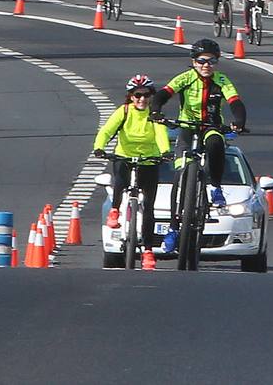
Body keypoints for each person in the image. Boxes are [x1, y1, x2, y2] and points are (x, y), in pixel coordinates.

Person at [152, 39, 247, 235]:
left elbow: (235, 102)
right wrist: (155, 111)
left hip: (211, 126)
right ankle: (173, 226)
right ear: (194, 62)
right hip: (187, 127)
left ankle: (215, 186)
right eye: (202, 61)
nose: (206, 66)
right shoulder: (185, 78)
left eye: (212, 61)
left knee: (215, 143)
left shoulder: (221, 80)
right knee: (179, 176)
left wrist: (239, 121)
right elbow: (163, 94)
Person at [93, 76, 172, 267]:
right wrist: (99, 147)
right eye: (137, 95)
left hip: (149, 160)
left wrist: (165, 152)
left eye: (146, 95)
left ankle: (147, 251)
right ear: (131, 96)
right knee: (120, 177)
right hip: (125, 156)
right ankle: (114, 210)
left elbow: (161, 134)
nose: (142, 99)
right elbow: (107, 130)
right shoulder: (124, 111)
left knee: (149, 207)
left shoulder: (154, 113)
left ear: (151, 96)